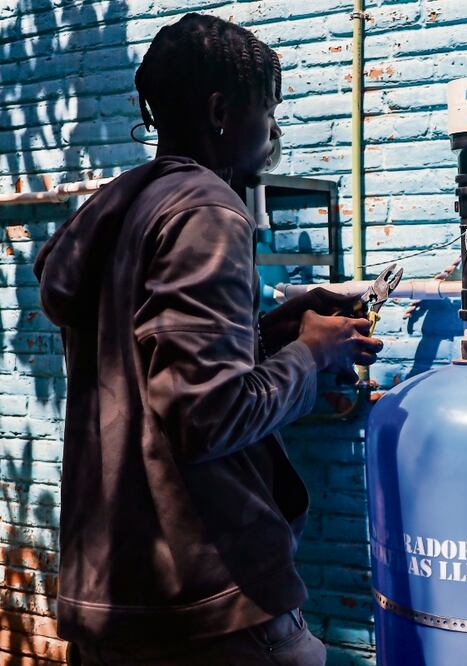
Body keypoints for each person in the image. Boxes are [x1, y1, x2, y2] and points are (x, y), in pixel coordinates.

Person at [32, 13, 378, 665]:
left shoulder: (126, 207)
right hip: (211, 605)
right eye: (267, 110)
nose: (273, 130)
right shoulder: (207, 209)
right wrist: (313, 355)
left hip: (115, 599)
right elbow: (206, 415)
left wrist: (273, 329)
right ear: (222, 111)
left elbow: (151, 366)